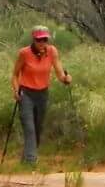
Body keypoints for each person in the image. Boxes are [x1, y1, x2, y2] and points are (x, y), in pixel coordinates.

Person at [11, 26, 70, 167]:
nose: (42, 43)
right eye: (39, 40)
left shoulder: (52, 51)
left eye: (45, 39)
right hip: (26, 94)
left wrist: (65, 79)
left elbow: (59, 72)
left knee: (38, 128)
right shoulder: (24, 53)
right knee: (29, 127)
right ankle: (31, 162)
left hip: (42, 94)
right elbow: (14, 74)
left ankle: (26, 159)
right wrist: (15, 89)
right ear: (34, 39)